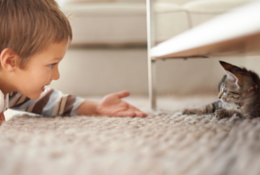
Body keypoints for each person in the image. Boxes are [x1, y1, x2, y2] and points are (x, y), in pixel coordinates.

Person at [0, 0, 147, 124]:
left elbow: (49, 101)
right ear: (11, 62)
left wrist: (96, 107)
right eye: (51, 65)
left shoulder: (14, 92)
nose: (57, 75)